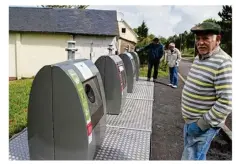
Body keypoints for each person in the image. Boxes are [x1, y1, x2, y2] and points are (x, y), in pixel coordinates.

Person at [181, 22, 232, 160]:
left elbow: (227, 101)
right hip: (191, 121)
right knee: (194, 156)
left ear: (218, 39)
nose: (200, 42)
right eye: (198, 39)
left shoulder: (224, 63)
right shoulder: (199, 58)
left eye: (206, 38)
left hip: (202, 126)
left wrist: (200, 125)